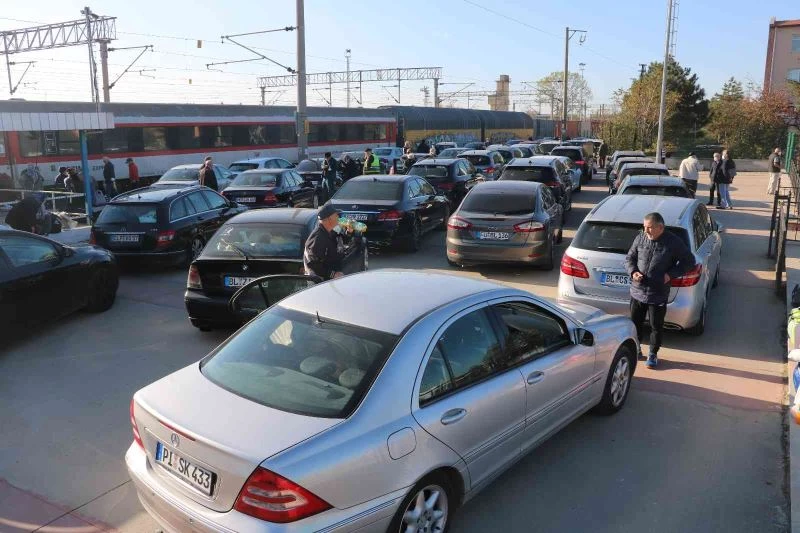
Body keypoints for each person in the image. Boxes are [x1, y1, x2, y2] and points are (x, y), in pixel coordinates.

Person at [626, 212, 696, 368]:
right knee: (635, 323)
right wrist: (633, 272)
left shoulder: (673, 242)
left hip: (657, 294)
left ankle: (653, 353)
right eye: (644, 227)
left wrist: (670, 275)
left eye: (649, 228)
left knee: (656, 327)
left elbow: (689, 261)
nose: (646, 231)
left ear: (660, 227)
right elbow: (629, 258)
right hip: (637, 291)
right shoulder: (641, 238)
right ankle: (636, 348)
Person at [304, 203, 348, 280]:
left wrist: (349, 231)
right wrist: (333, 274)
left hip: (330, 278)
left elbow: (343, 239)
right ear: (329, 219)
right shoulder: (318, 238)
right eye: (336, 215)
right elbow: (314, 265)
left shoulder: (330, 231)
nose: (338, 217)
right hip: (319, 283)